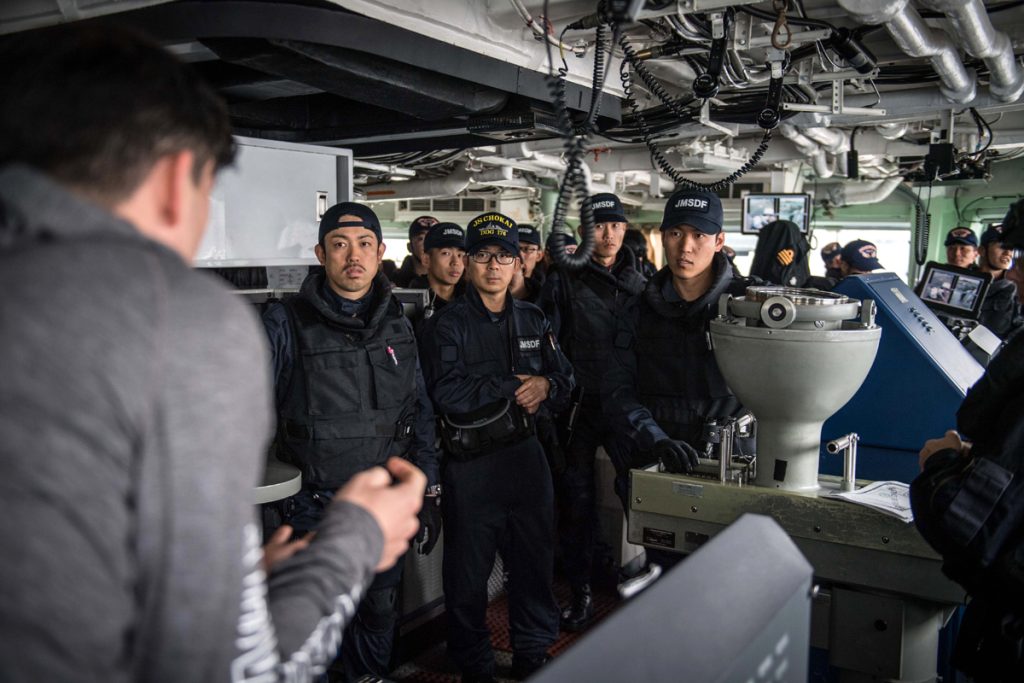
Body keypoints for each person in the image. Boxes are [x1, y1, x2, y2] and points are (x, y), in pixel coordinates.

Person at [0, 24, 425, 683]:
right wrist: (356, 537)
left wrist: (240, 587)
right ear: (177, 180)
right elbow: (237, 667)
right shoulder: (180, 319)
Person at [262, 201, 442, 681]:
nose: (353, 256)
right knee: (310, 635)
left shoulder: (399, 322)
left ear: (381, 251)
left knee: (377, 618)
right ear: (321, 253)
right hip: (311, 513)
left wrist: (429, 490)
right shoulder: (285, 323)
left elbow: (419, 412)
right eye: (340, 245)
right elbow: (251, 421)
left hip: (381, 510)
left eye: (364, 244)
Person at [420, 212, 575, 683]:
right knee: (467, 577)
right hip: (472, 465)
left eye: (504, 256)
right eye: (483, 255)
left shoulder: (534, 318)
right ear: (467, 263)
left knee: (533, 564)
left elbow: (568, 379)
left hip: (527, 459)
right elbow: (445, 392)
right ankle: (474, 662)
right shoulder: (446, 326)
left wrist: (547, 385)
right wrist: (511, 385)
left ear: (517, 265)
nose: (493, 266)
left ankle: (532, 651)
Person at [604, 190, 756, 567]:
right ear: (663, 236)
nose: (685, 247)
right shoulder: (636, 309)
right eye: (675, 234)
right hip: (660, 465)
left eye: (699, 236)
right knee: (668, 574)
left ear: (719, 242)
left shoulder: (749, 307)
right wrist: (656, 441)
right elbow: (618, 389)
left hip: (731, 466)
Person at [537, 193, 646, 632]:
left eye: (615, 226)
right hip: (578, 408)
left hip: (625, 409)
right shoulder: (563, 278)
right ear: (585, 231)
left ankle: (640, 581)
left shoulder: (641, 281)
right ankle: (581, 593)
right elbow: (548, 343)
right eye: (599, 226)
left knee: (637, 497)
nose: (608, 234)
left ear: (624, 230)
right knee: (576, 504)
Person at [408, 221, 467, 327]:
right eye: (446, 253)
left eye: (460, 255)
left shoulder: (472, 302)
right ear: (426, 259)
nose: (456, 262)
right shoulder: (409, 303)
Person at [976, 224, 1023, 340]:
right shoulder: (962, 279)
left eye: (1011, 248)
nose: (1008, 253)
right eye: (1002, 246)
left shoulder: (1018, 291)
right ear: (982, 250)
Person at [393, 215, 438, 287]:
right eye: (421, 239)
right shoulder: (394, 282)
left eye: (435, 239)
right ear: (409, 247)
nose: (428, 244)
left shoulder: (452, 281)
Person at [511, 223, 546, 302]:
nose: (520, 254)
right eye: (515, 248)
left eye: (527, 249)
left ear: (539, 255)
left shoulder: (548, 289)